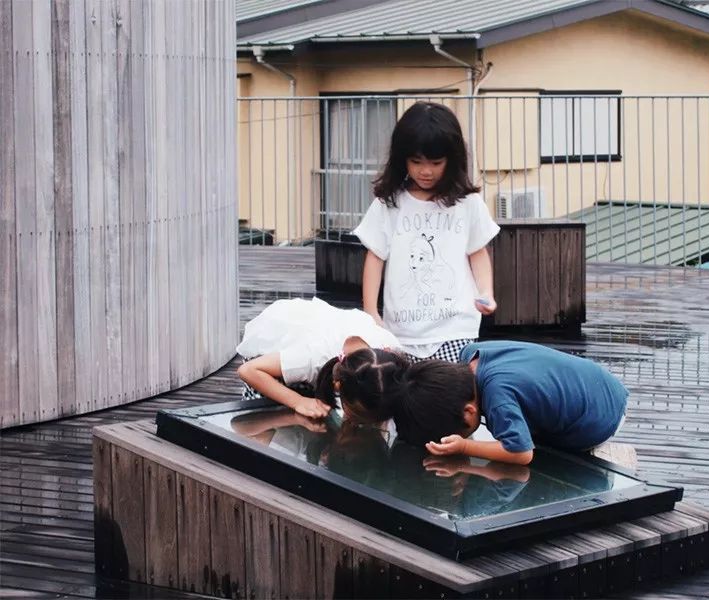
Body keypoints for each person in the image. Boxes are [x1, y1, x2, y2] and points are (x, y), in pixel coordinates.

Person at [353, 101, 500, 363]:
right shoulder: (390, 204)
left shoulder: (467, 203)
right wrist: (371, 312)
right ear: (402, 159)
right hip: (401, 332)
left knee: (451, 387)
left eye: (436, 162)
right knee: (405, 388)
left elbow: (477, 252)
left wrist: (486, 292)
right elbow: (375, 256)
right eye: (416, 161)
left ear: (452, 160)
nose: (425, 171)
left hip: (456, 329)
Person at [350, 340, 629, 466]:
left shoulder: (498, 397)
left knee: (524, 447)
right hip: (599, 383)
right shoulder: (470, 356)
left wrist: (465, 448)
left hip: (599, 419)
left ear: (469, 411)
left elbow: (522, 453)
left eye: (458, 431)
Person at [236, 297, 399, 417]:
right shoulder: (314, 356)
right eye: (354, 415)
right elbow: (248, 371)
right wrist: (297, 401)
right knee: (274, 415)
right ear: (338, 385)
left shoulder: (392, 352)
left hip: (317, 330)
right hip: (269, 348)